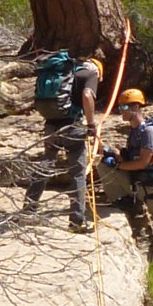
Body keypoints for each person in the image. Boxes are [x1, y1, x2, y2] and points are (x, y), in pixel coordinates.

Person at [98, 88, 153, 279]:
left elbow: (142, 162)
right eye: (119, 107)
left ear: (136, 107)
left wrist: (121, 166)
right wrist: (113, 155)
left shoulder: (149, 132)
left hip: (152, 186)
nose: (120, 111)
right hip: (138, 183)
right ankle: (125, 201)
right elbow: (132, 158)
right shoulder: (134, 131)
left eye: (123, 107)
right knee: (103, 165)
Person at [24, 56, 103, 233]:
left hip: (51, 125)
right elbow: (87, 95)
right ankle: (77, 222)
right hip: (72, 125)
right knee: (77, 172)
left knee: (45, 165)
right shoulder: (89, 74)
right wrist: (91, 124)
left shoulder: (62, 72)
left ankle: (28, 209)